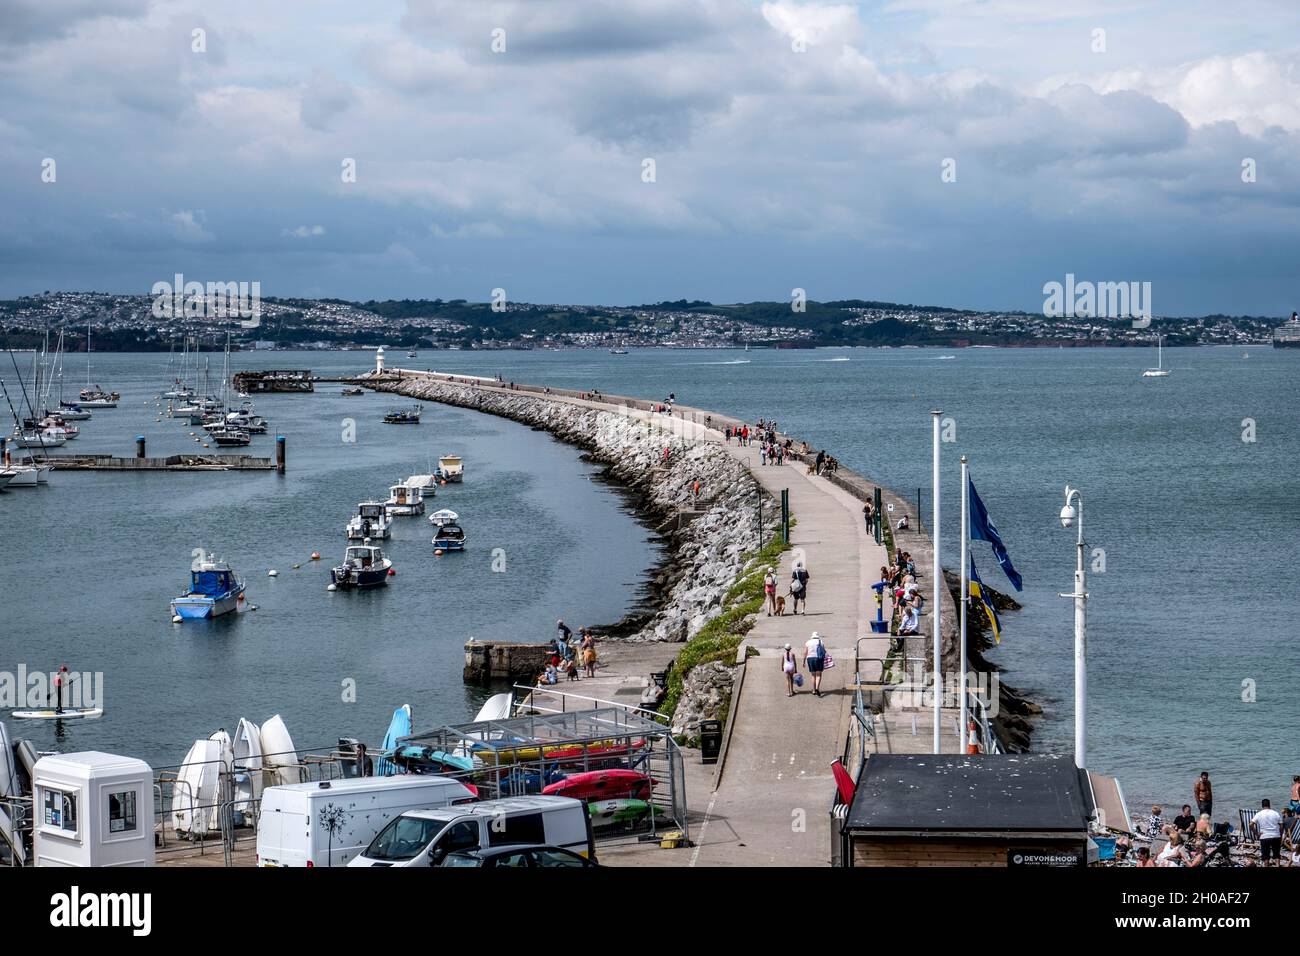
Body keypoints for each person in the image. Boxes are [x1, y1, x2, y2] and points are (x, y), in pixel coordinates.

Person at [1253, 798, 1283, 866]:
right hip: (1276, 836)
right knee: (1277, 856)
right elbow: (1281, 825)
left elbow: (1251, 824)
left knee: (1266, 857)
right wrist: (1280, 835)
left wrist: (1256, 833)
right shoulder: (1276, 813)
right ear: (1270, 805)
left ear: (1262, 805)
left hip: (1264, 837)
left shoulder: (1259, 814)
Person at [804, 631, 828, 697]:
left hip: (810, 659)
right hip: (819, 659)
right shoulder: (821, 642)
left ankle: (814, 690)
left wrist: (803, 661)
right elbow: (824, 651)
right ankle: (817, 688)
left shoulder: (808, 642)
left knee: (813, 675)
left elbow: (805, 652)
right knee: (818, 675)